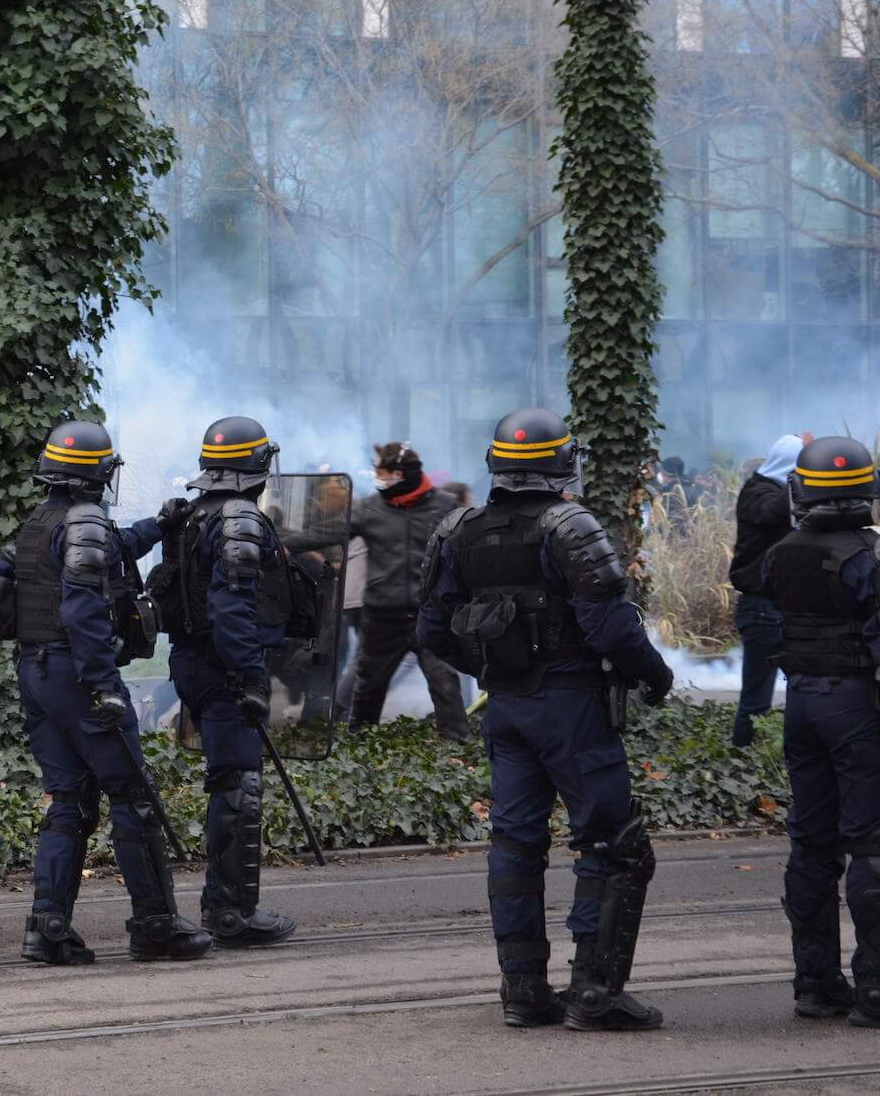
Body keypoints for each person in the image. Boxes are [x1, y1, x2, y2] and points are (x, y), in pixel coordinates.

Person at [417, 407, 674, 1032]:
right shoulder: (571, 522)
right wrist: (655, 674)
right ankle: (595, 994)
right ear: (562, 462)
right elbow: (610, 626)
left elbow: (430, 629)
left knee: (515, 844)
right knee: (614, 844)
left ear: (496, 463)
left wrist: (491, 664)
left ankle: (524, 991)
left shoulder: (457, 529)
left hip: (506, 708)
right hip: (572, 707)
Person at [6, 419, 210, 966]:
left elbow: (111, 548)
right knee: (133, 798)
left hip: (37, 673)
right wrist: (103, 685)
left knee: (69, 800)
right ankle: (156, 925)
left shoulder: (38, 523)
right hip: (80, 677)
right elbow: (81, 610)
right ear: (97, 473)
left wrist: (157, 525)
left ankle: (47, 929)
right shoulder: (86, 519)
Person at [760, 436, 880, 1028]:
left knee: (811, 843)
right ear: (872, 490)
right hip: (861, 707)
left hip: (803, 705)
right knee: (873, 845)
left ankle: (815, 984)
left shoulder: (781, 553)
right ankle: (878, 991)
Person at [154, 415, 302, 950]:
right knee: (239, 784)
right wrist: (250, 676)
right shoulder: (239, 517)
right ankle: (232, 913)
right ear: (258, 465)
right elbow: (231, 608)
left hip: (194, 663)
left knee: (229, 780)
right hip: (222, 666)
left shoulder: (192, 513)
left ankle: (227, 906)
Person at [292, 441, 468, 741]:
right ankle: (360, 745)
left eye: (384, 473)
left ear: (402, 474)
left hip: (429, 614)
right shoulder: (370, 508)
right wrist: (282, 537)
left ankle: (458, 745)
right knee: (368, 689)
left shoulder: (445, 505)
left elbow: (466, 549)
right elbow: (324, 533)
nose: (379, 479)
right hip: (382, 618)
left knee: (445, 683)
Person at [729, 434, 808, 748]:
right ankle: (743, 759)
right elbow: (771, 512)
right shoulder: (759, 491)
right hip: (761, 607)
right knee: (756, 698)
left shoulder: (771, 489)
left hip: (780, 606)